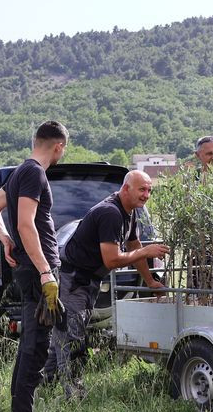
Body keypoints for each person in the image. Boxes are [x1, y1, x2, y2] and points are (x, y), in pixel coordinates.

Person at [0, 121, 68, 412]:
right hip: (38, 269)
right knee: (35, 348)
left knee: (30, 346)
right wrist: (46, 271)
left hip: (30, 267)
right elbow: (25, 223)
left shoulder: (19, 172)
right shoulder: (34, 173)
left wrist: (5, 239)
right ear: (58, 146)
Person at [48, 170, 169, 399]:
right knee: (72, 339)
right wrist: (146, 251)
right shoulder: (110, 213)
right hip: (73, 279)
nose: (146, 195)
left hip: (88, 280)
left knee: (62, 338)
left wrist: (151, 280)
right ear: (126, 188)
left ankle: (40, 386)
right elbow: (112, 259)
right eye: (141, 189)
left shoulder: (130, 212)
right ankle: (74, 396)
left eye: (149, 190)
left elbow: (134, 245)